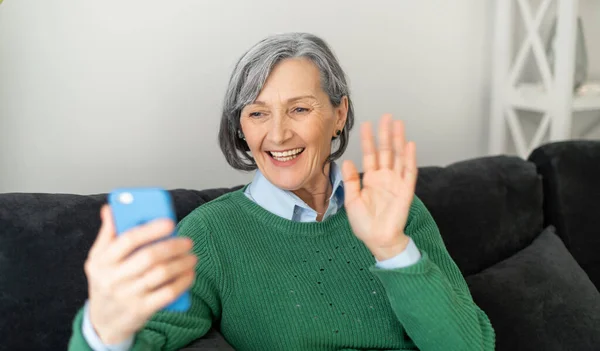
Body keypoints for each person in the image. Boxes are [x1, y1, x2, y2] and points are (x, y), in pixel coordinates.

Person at [68, 32, 495, 351]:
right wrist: (104, 329)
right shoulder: (210, 235)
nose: (277, 134)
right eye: (257, 113)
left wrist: (392, 248)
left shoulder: (395, 208)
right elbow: (148, 337)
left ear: (339, 113)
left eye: (299, 108)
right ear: (241, 128)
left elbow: (470, 345)